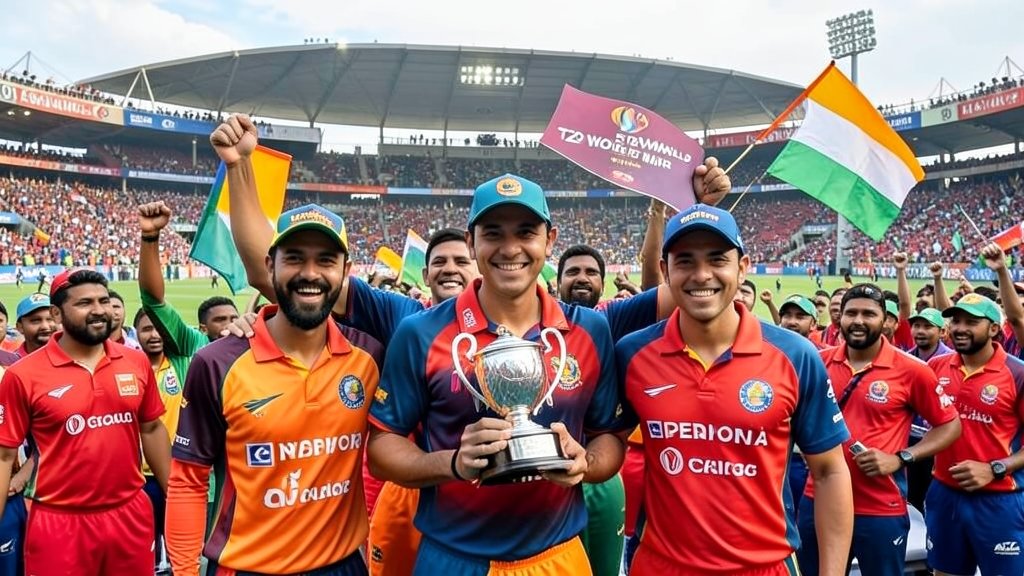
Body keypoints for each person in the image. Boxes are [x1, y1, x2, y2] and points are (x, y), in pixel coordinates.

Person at [367, 174, 627, 575]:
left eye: (526, 232)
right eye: (493, 233)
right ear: (472, 243)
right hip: (454, 557)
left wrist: (585, 463)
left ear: (550, 240)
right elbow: (382, 451)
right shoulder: (422, 333)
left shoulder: (589, 330)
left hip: (557, 557)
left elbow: (608, 435)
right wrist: (453, 463)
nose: (510, 249)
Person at [616, 204, 853, 575]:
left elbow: (829, 472)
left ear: (742, 267)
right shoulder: (632, 353)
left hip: (763, 566)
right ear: (665, 271)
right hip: (661, 564)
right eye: (685, 261)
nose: (702, 274)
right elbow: (607, 441)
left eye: (717, 259)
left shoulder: (795, 355)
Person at [165, 204, 384, 576]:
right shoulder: (217, 363)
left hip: (344, 566)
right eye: (295, 258)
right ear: (270, 266)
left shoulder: (371, 356)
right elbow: (188, 481)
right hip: (248, 568)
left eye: (326, 260)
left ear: (345, 272)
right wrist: (185, 571)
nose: (310, 274)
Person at [0, 268, 170, 575]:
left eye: (104, 301)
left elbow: (151, 427)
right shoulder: (22, 375)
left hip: (130, 513)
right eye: (85, 303)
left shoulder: (135, 361)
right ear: (57, 312)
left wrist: (175, 494)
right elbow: (4, 455)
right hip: (59, 519)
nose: (99, 311)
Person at [798, 283, 960, 576]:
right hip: (819, 499)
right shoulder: (818, 363)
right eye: (851, 313)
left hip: (879, 506)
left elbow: (950, 425)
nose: (858, 320)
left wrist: (901, 458)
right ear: (840, 319)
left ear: (886, 321)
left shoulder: (912, 370)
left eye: (868, 314)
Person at [925, 289, 1024, 576]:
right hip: (943, 493)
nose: (959, 328)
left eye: (971, 322)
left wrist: (995, 468)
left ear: (994, 328)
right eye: (955, 321)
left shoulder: (1017, 374)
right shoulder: (935, 367)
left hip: (998, 499)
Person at [13, 293, 56, 357]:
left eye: (51, 319)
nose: (45, 326)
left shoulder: (74, 357)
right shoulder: (10, 363)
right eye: (35, 320)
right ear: (20, 327)